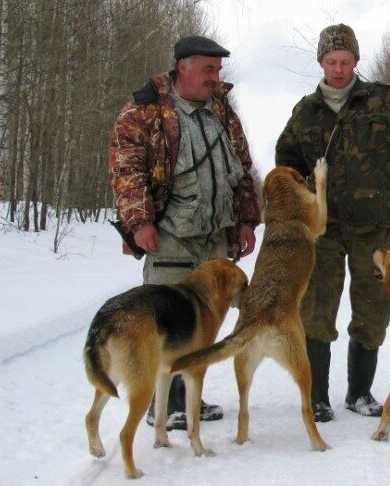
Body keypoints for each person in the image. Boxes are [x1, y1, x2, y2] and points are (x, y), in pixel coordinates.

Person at [275, 24, 390, 422]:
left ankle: (360, 393)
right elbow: (287, 161)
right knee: (316, 311)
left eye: (345, 61)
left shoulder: (384, 100)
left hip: (375, 229)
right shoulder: (305, 111)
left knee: (372, 311)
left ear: (356, 61)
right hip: (324, 230)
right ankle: (317, 397)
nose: (338, 69)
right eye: (331, 62)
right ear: (320, 62)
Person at [108, 35, 261, 430]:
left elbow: (241, 169)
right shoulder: (144, 111)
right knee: (167, 321)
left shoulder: (222, 111)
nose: (215, 77)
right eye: (208, 69)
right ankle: (167, 405)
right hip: (170, 236)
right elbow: (127, 170)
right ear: (183, 67)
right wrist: (140, 222)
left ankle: (190, 397)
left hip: (214, 238)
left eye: (218, 69)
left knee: (202, 326)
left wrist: (246, 219)